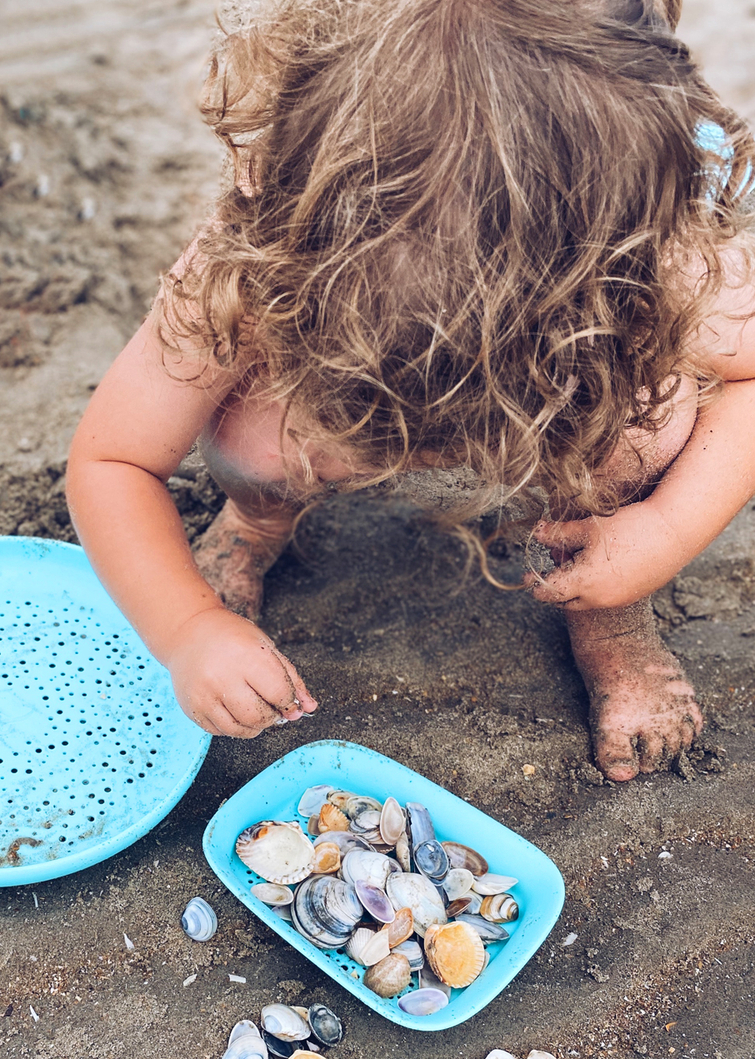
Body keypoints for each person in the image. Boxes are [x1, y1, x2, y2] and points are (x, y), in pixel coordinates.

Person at [67, 0, 755, 781]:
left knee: (644, 421)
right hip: (366, 330)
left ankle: (611, 612)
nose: (438, 455)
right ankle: (256, 522)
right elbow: (113, 460)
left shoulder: (648, 260)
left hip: (582, 355)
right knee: (256, 437)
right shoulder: (262, 258)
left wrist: (661, 535)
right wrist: (185, 625)